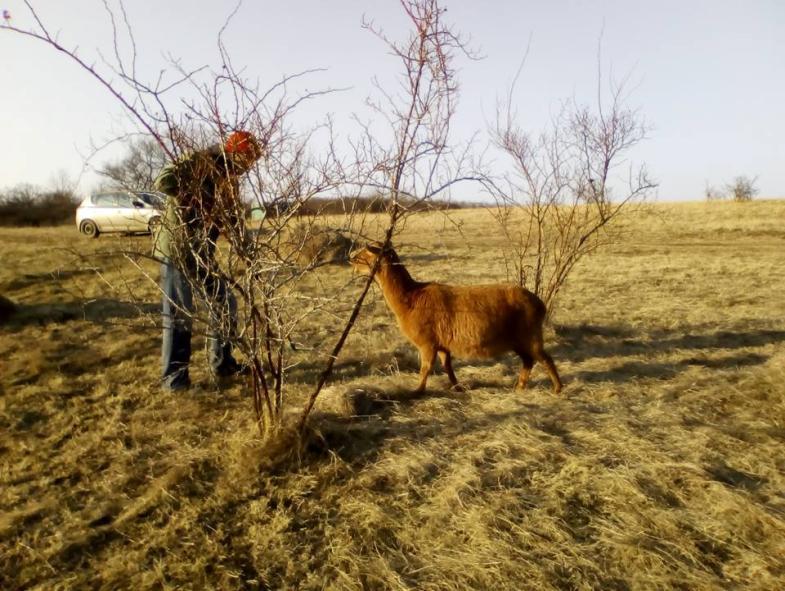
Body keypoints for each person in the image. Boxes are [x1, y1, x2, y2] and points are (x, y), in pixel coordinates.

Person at [154, 130, 263, 391]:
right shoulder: (199, 163)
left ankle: (223, 363)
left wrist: (250, 253)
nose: (249, 167)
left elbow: (234, 222)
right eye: (247, 160)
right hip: (178, 250)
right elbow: (163, 183)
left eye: (252, 162)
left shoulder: (229, 182)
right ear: (234, 153)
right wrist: (188, 175)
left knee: (226, 302)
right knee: (180, 316)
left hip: (201, 254)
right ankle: (174, 381)